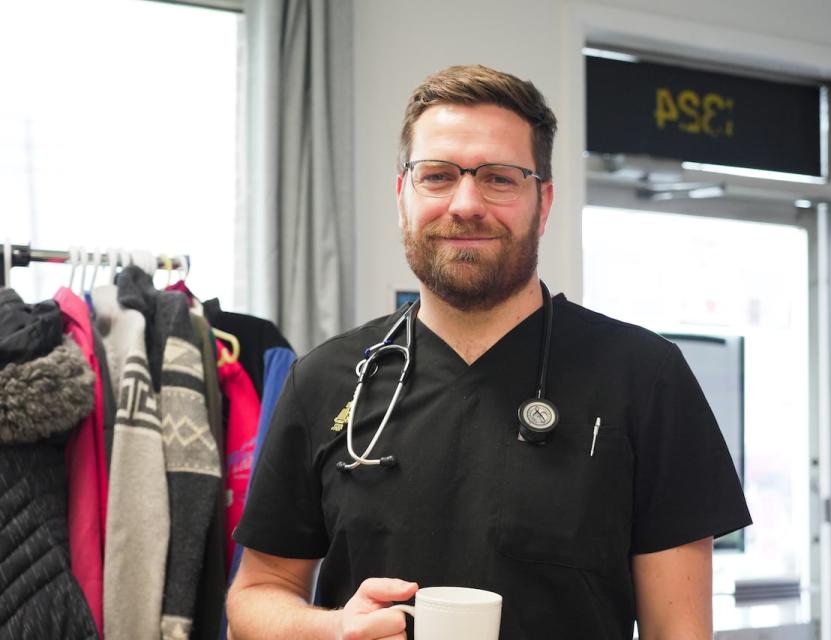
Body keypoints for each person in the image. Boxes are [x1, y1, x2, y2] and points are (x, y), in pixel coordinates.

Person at [226, 64, 751, 640]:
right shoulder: (325, 379)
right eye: (438, 176)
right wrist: (333, 631)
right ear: (403, 194)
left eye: (500, 177)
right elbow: (256, 594)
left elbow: (678, 629)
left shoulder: (645, 378)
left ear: (543, 201)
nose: (467, 203)